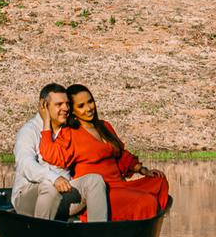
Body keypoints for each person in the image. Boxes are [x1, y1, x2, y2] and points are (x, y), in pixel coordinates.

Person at [38, 84, 169, 222]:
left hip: (119, 184)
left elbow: (121, 155)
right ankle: (133, 224)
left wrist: (142, 170)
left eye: (90, 102)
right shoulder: (70, 133)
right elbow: (50, 154)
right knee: (147, 201)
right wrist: (46, 122)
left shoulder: (104, 126)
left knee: (160, 181)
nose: (88, 108)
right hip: (100, 190)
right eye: (81, 106)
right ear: (73, 111)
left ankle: (135, 215)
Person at [11, 82, 110, 222]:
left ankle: (96, 236)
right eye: (59, 105)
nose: (65, 108)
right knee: (50, 187)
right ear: (44, 105)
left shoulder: (69, 130)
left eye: (67, 104)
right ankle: (41, 235)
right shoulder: (29, 131)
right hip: (28, 198)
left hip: (64, 196)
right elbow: (25, 165)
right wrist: (54, 178)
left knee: (95, 180)